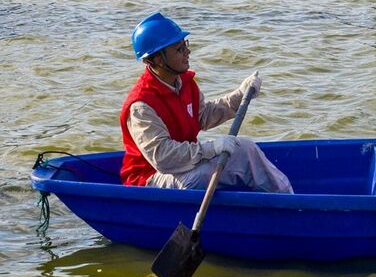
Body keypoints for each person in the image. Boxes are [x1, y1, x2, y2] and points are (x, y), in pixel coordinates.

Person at [119, 12, 293, 193]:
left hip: (185, 165)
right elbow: (163, 157)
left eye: (185, 45)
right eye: (178, 49)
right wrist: (211, 148)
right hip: (152, 179)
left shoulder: (184, 83)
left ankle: (287, 199)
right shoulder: (141, 105)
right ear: (154, 59)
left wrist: (240, 96)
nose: (187, 52)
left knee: (245, 148)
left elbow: (202, 116)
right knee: (205, 174)